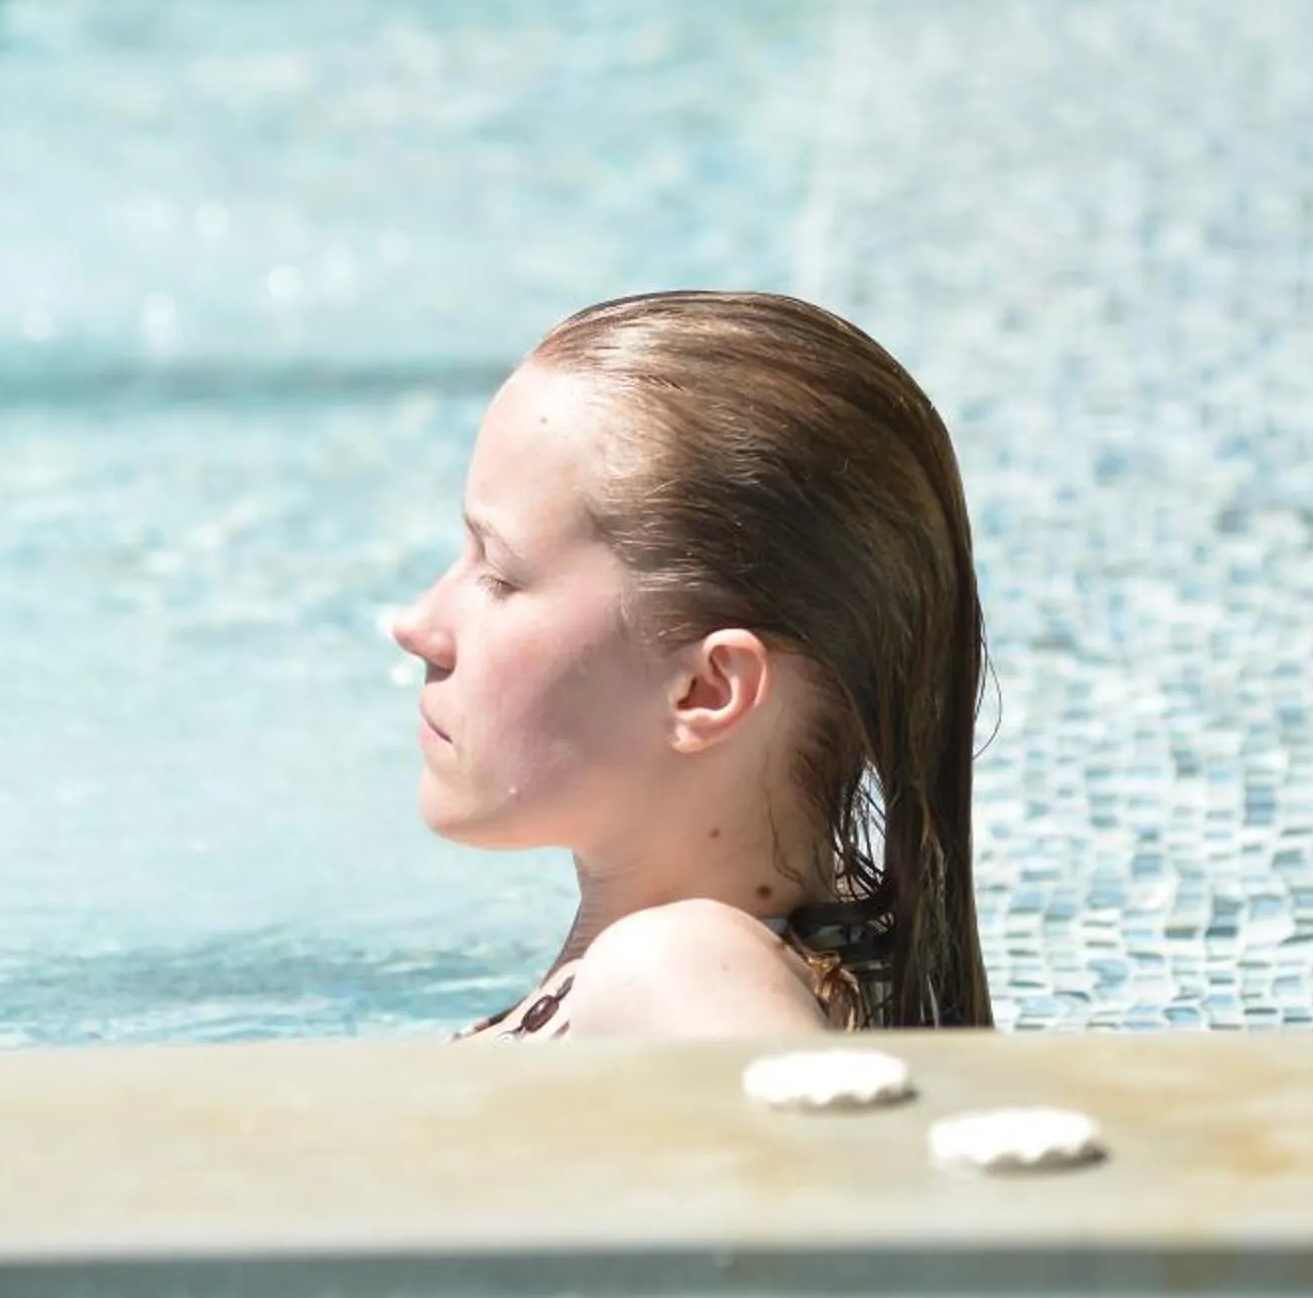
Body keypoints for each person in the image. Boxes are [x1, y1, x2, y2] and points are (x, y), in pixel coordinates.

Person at [389, 290, 994, 1040]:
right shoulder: (791, 949)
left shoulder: (676, 970)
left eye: (501, 576)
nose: (418, 626)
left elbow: (837, 1142)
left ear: (706, 691)